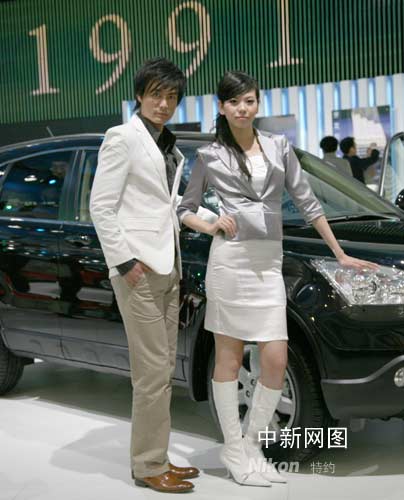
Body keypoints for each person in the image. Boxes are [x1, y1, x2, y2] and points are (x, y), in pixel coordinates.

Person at [177, 71, 378, 486]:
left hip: (269, 264)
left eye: (249, 100)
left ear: (258, 103)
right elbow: (185, 209)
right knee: (228, 357)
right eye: (235, 102)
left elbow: (307, 202)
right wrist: (211, 225)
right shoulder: (210, 156)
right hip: (230, 263)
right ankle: (234, 449)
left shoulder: (278, 147)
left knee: (275, 358)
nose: (243, 108)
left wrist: (340, 253)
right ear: (222, 107)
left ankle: (252, 444)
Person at [89, 57, 199, 494]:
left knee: (163, 368)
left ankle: (158, 456)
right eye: (156, 94)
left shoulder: (169, 145)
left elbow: (164, 207)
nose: (164, 103)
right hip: (138, 271)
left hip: (167, 267)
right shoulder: (122, 138)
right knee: (152, 372)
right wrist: (125, 263)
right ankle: (149, 465)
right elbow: (101, 206)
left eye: (172, 96)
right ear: (139, 95)